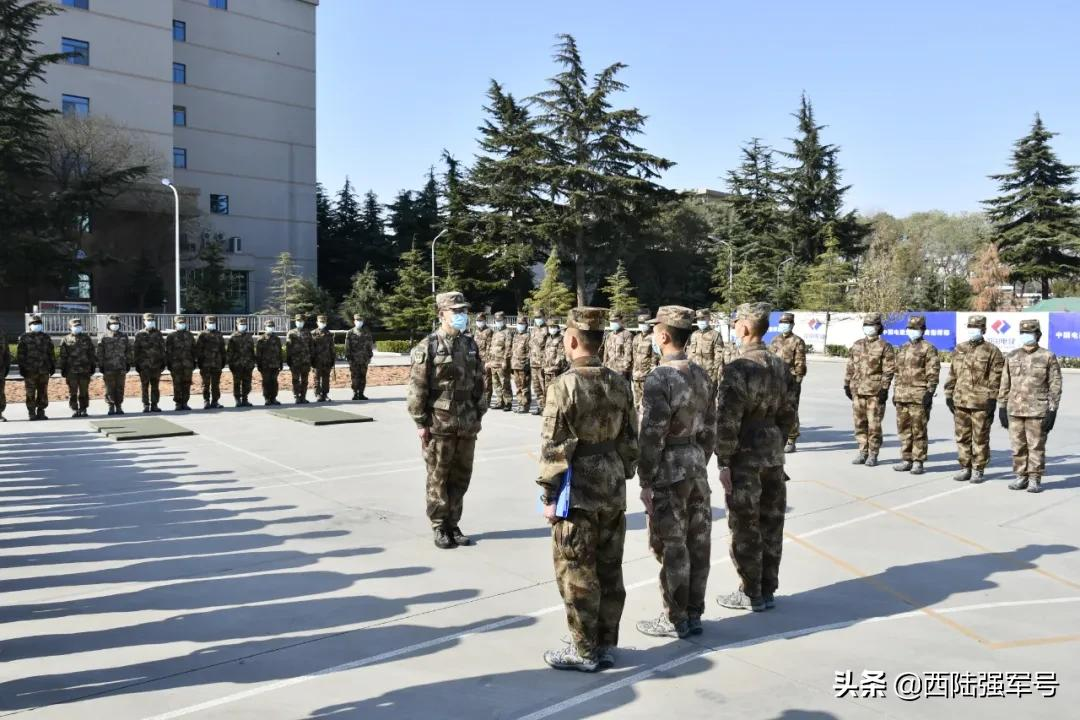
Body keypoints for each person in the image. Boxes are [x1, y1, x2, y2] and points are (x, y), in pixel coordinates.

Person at [539, 307, 639, 673]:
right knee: (610, 568)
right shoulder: (619, 382)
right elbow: (631, 438)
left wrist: (549, 496)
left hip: (577, 488)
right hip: (612, 485)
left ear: (572, 340)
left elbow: (555, 447)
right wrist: (622, 471)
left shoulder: (563, 385)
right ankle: (605, 643)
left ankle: (583, 650)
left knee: (577, 570)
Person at [635, 306, 716, 639]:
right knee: (698, 542)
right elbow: (711, 427)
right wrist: (699, 457)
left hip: (669, 469)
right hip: (696, 465)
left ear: (664, 335)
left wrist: (645, 479)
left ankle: (674, 617)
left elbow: (652, 433)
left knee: (672, 546)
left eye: (656, 330)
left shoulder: (660, 377)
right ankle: (693, 613)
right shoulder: (701, 374)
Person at [715, 302, 797, 612]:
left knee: (746, 524)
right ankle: (767, 587)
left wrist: (723, 460)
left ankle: (750, 591)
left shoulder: (739, 368)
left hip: (745, 456)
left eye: (736, 323)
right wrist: (776, 440)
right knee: (771, 522)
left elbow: (727, 420)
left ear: (745, 328)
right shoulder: (779, 365)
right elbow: (789, 412)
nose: (734, 328)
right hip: (773, 453)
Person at [407, 291, 487, 549]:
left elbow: (480, 383)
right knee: (438, 476)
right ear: (442, 314)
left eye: (464, 311)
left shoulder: (470, 345)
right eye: (457, 311)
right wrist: (420, 423)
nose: (462, 316)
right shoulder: (428, 346)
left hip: (466, 423)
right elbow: (417, 388)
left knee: (461, 476)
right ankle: (439, 525)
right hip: (439, 422)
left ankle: (454, 522)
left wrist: (478, 413)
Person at [998, 318, 1062, 493]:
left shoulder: (1047, 356)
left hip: (1037, 411)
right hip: (1015, 409)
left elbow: (1055, 385)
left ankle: (1034, 478)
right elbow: (1005, 383)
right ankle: (1021, 476)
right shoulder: (1011, 356)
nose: (1027, 336)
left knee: (1035, 446)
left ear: (1038, 335)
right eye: (1024, 333)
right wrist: (1002, 406)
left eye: (1030, 332)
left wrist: (1052, 410)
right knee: (1018, 446)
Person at [944, 315, 1004, 483]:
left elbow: (996, 377)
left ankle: (978, 468)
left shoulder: (992, 351)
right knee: (962, 436)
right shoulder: (959, 349)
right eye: (970, 327)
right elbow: (952, 373)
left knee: (980, 437)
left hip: (981, 403)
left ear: (983, 330)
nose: (973, 330)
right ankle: (965, 467)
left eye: (976, 327)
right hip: (960, 401)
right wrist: (949, 394)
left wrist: (993, 399)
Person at [844, 312, 896, 467]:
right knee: (859, 423)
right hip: (858, 391)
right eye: (866, 325)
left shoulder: (885, 347)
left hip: (875, 391)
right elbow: (850, 365)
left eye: (872, 325)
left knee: (874, 425)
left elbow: (889, 369)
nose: (868, 328)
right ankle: (862, 451)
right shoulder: (857, 344)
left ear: (879, 327)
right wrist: (847, 384)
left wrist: (884, 388)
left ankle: (873, 454)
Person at [891, 315, 941, 475]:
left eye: (916, 328)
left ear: (923, 330)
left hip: (919, 396)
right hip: (902, 396)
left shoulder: (929, 348)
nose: (912, 331)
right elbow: (897, 372)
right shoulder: (903, 347)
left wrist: (929, 392)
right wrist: (895, 392)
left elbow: (933, 372)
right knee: (904, 429)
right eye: (910, 328)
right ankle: (906, 459)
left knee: (918, 430)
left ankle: (918, 461)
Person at [768, 312, 807, 453]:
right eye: (782, 323)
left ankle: (791, 439)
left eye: (787, 323)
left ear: (792, 324)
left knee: (791, 410)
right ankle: (778, 438)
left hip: (791, 381)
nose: (784, 325)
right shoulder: (775, 340)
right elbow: (770, 360)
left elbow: (800, 362)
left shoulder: (797, 341)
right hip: (776, 382)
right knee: (775, 410)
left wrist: (797, 381)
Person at [18, 314, 56, 421]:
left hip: (44, 369)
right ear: (30, 325)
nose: (36, 325)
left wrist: (53, 365)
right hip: (30, 370)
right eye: (34, 324)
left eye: (38, 323)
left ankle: (41, 411)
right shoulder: (24, 338)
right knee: (30, 392)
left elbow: (51, 352)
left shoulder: (46, 337)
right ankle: (31, 412)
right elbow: (21, 354)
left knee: (43, 391)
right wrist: (22, 367)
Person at [58, 318, 96, 418]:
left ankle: (83, 409)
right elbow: (63, 356)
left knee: (84, 391)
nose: (77, 327)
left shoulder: (86, 338)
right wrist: (62, 368)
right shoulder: (65, 339)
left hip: (85, 369)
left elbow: (91, 353)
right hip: (71, 370)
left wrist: (93, 365)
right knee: (72, 391)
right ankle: (74, 409)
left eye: (79, 325)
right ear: (70, 327)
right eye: (75, 326)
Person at [97, 314, 131, 415]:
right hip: (108, 367)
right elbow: (100, 352)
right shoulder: (103, 337)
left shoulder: (124, 336)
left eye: (116, 323)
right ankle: (111, 406)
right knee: (109, 388)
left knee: (120, 387)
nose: (115, 325)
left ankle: (119, 406)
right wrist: (101, 364)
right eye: (112, 323)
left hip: (121, 367)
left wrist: (128, 362)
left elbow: (128, 351)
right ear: (108, 324)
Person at [133, 312, 166, 413]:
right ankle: (146, 405)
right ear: (144, 321)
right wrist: (137, 364)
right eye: (148, 320)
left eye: (152, 320)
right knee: (144, 386)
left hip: (156, 365)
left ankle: (155, 405)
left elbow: (162, 349)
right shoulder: (139, 334)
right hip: (144, 366)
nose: (150, 322)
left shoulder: (158, 334)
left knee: (155, 386)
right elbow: (136, 350)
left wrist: (163, 362)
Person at [195, 315, 226, 409]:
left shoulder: (219, 334)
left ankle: (215, 401)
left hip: (217, 363)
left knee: (216, 384)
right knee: (206, 384)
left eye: (213, 323)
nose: (211, 324)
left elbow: (222, 349)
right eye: (209, 323)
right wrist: (199, 362)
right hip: (205, 364)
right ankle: (206, 401)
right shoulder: (202, 335)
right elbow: (198, 350)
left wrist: (224, 361)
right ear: (205, 323)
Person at [166, 315, 196, 411]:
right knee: (177, 384)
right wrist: (169, 363)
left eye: (183, 322)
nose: (181, 324)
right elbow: (168, 351)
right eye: (179, 322)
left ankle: (185, 402)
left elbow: (194, 350)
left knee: (187, 383)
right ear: (175, 324)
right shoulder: (171, 336)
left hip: (188, 364)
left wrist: (194, 361)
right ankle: (178, 403)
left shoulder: (190, 335)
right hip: (176, 365)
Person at [688, 309, 724, 389]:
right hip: (695, 373)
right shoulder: (694, 335)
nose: (700, 321)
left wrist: (715, 374)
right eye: (699, 319)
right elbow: (691, 354)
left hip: (709, 373)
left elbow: (719, 355)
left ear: (708, 318)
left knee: (709, 398)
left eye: (703, 318)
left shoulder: (715, 335)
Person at [630, 311, 658, 412]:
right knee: (637, 402)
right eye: (640, 323)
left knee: (648, 402)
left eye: (644, 323)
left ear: (649, 324)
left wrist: (652, 372)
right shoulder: (636, 338)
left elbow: (655, 357)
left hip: (648, 375)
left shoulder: (654, 337)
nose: (642, 326)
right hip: (636, 375)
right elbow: (634, 356)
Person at [227, 317, 257, 407]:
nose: (242, 326)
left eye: (244, 324)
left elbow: (252, 351)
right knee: (237, 383)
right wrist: (230, 363)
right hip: (237, 364)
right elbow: (230, 352)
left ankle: (245, 399)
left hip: (248, 364)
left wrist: (253, 362)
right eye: (241, 324)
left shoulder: (249, 337)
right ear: (237, 325)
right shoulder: (233, 337)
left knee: (247, 383)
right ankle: (237, 399)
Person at [487, 311, 513, 411]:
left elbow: (508, 348)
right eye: (497, 320)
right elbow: (491, 348)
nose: (498, 322)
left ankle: (508, 402)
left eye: (500, 320)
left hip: (502, 363)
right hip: (494, 363)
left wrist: (505, 361)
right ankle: (499, 401)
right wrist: (489, 361)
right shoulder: (495, 332)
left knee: (505, 383)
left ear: (504, 320)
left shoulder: (507, 332)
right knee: (496, 383)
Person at [345, 313, 374, 400]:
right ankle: (355, 393)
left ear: (363, 322)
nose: (359, 322)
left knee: (362, 376)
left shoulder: (367, 333)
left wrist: (369, 357)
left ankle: (361, 393)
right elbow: (347, 347)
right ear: (354, 321)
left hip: (364, 359)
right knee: (354, 376)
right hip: (354, 360)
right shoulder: (350, 333)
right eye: (357, 320)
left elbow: (370, 346)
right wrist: (349, 358)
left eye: (360, 320)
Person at [256, 320, 284, 406]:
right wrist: (259, 364)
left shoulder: (277, 339)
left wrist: (281, 363)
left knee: (274, 382)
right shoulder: (261, 339)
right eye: (268, 326)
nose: (270, 328)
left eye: (272, 326)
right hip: (265, 365)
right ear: (265, 327)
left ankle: (274, 398)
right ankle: (267, 398)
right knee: (266, 382)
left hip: (275, 364)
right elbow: (258, 353)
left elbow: (280, 352)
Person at [286, 313, 313, 403]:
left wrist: (312, 358)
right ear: (295, 322)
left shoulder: (307, 333)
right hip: (295, 361)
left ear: (304, 322)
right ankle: (296, 396)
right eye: (298, 321)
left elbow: (311, 346)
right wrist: (288, 359)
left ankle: (303, 397)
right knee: (295, 380)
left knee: (305, 380)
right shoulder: (291, 333)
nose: (299, 322)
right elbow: (288, 347)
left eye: (301, 321)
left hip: (306, 360)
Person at [311, 314, 336, 402]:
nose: (322, 323)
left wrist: (333, 359)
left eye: (324, 322)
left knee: (326, 379)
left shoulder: (329, 334)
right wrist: (311, 360)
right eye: (321, 322)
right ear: (317, 322)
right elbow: (310, 347)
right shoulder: (313, 333)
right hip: (317, 361)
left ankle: (325, 394)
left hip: (327, 360)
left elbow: (332, 347)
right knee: (317, 378)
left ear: (326, 323)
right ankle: (318, 394)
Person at [601, 312, 633, 381]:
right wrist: (604, 366)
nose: (613, 323)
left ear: (621, 321)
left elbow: (628, 353)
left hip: (621, 371)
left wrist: (625, 369)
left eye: (615, 321)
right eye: (611, 321)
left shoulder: (627, 334)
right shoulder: (609, 336)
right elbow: (606, 353)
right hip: (609, 369)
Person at [528, 309, 548, 415]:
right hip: (533, 363)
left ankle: (546, 407)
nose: (537, 319)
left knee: (544, 386)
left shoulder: (547, 330)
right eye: (536, 317)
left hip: (542, 364)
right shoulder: (534, 330)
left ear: (544, 317)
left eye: (539, 317)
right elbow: (531, 346)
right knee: (536, 387)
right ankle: (540, 406)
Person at [541, 318, 568, 399]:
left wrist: (555, 367)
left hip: (556, 370)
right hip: (547, 370)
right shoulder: (548, 338)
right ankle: (547, 408)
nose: (552, 329)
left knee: (556, 391)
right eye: (550, 327)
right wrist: (543, 366)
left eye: (554, 327)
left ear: (557, 327)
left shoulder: (561, 339)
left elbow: (561, 355)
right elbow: (545, 353)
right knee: (547, 390)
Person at [510, 315, 531, 414]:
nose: (520, 325)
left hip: (523, 366)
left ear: (526, 325)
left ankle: (525, 405)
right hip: (515, 365)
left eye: (522, 324)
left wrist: (527, 364)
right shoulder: (515, 336)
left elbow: (530, 352)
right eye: (519, 324)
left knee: (524, 387)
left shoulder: (528, 337)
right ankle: (519, 403)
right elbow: (512, 351)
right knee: (518, 386)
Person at [473, 312, 495, 406]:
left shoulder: (489, 331)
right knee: (477, 380)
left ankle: (487, 400)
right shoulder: (476, 331)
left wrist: (489, 361)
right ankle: (478, 399)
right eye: (477, 320)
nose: (479, 322)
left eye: (481, 320)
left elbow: (490, 347)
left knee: (486, 381)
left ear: (485, 321)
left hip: (485, 360)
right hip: (476, 359)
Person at [0, 327, 10, 422]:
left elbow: (6, 351)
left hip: (0, 369)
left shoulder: (2, 333)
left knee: (0, 393)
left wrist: (7, 366)